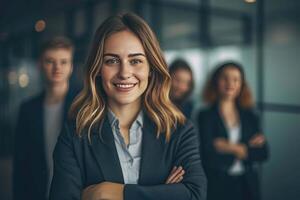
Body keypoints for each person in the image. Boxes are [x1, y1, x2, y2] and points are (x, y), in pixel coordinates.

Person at [50, 13, 207, 200]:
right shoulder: (74, 135)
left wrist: (110, 192)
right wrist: (162, 193)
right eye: (112, 61)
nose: (124, 73)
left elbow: (195, 194)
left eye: (135, 61)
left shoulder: (180, 130)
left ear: (151, 68)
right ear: (98, 68)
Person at [13, 37, 78, 200]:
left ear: (71, 66)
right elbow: (21, 163)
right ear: (40, 64)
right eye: (50, 61)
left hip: (75, 193)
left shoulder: (83, 105)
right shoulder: (27, 109)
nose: (57, 68)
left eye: (63, 62)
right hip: (37, 192)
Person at [196, 62, 269, 200]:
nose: (230, 83)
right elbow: (207, 155)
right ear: (216, 82)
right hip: (217, 184)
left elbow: (263, 152)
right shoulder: (205, 115)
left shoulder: (250, 116)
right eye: (225, 78)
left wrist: (230, 147)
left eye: (236, 79)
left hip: (247, 183)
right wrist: (247, 148)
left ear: (242, 84)